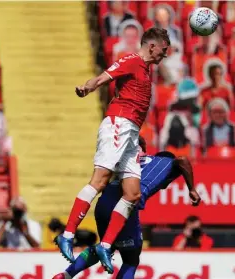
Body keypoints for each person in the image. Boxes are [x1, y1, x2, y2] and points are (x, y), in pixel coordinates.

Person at [55, 27, 170, 274]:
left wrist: (136, 136)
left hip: (130, 135)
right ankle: (67, 234)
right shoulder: (131, 61)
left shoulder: (145, 70)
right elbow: (103, 77)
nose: (165, 55)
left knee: (133, 193)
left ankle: (106, 244)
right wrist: (87, 88)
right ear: (152, 45)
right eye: (163, 49)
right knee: (100, 180)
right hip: (118, 123)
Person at [53, 138, 201, 279]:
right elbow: (182, 160)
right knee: (131, 258)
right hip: (126, 204)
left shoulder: (123, 158)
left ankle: (66, 275)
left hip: (103, 203)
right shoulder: (166, 162)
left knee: (106, 247)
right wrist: (192, 189)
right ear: (144, 150)